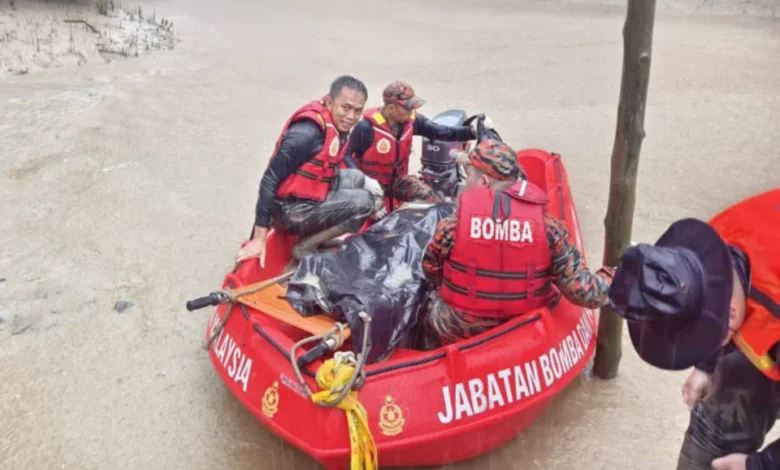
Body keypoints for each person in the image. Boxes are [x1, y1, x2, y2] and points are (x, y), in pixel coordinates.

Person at [608, 188, 780, 470]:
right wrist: (705, 364)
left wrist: (759, 465)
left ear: (731, 314)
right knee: (716, 422)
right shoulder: (706, 245)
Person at [418, 138, 616, 348]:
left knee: (426, 304)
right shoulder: (549, 229)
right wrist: (615, 276)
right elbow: (585, 292)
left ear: (484, 181)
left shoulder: (452, 226)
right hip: (524, 328)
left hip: (458, 329)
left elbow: (430, 269)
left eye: (469, 177)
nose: (467, 183)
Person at [236, 76, 385, 265]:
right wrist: (258, 238)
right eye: (345, 108)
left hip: (310, 195)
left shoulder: (336, 124)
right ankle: (304, 248)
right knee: (365, 201)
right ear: (329, 102)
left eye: (357, 111)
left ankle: (318, 238)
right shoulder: (306, 134)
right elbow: (269, 180)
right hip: (290, 211)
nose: (351, 117)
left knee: (356, 177)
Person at [345, 80, 485, 214]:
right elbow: (346, 155)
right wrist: (364, 181)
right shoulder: (365, 128)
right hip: (371, 187)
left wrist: (472, 132)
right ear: (391, 108)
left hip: (398, 183)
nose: (412, 111)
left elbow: (440, 131)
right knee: (371, 216)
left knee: (428, 195)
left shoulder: (412, 121)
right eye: (408, 108)